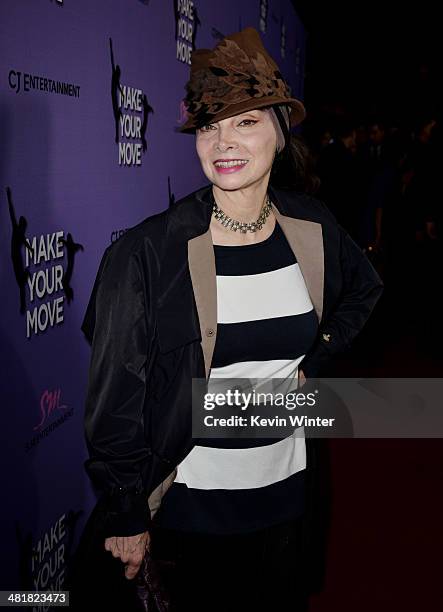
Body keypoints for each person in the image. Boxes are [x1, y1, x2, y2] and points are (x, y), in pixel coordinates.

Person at [67, 27, 384, 612]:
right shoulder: (147, 253)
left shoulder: (310, 226)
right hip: (192, 515)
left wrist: (316, 361)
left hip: (290, 499)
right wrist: (125, 511)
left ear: (280, 131)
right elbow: (115, 397)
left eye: (245, 121)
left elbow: (365, 290)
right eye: (209, 125)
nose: (223, 142)